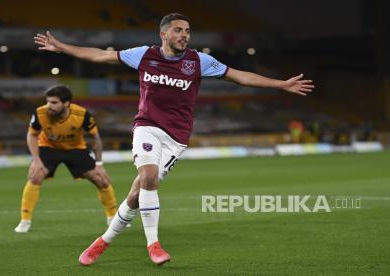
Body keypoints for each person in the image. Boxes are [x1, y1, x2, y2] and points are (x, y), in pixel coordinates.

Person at [34, 13, 314, 265]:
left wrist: (281, 84)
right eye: (179, 30)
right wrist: (63, 47)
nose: (184, 35)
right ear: (164, 34)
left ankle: (103, 241)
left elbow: (241, 77)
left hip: (176, 138)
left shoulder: (199, 61)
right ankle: (153, 244)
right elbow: (99, 56)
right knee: (149, 176)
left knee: (136, 193)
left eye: (188, 31)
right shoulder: (144, 55)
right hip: (147, 126)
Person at [14, 85, 119, 233]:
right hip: (48, 147)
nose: (49, 106)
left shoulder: (82, 114)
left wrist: (99, 164)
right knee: (35, 175)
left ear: (66, 103)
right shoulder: (40, 113)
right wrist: (36, 160)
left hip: (75, 148)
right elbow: (31, 135)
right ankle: (25, 220)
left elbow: (96, 138)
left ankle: (113, 218)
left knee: (101, 179)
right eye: (48, 101)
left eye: (54, 103)